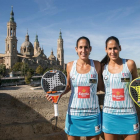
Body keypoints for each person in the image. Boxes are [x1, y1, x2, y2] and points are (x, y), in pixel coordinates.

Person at [46, 36, 103, 140]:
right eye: (80, 47)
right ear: (76, 49)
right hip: (74, 114)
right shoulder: (70, 65)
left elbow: (100, 87)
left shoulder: (97, 64)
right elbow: (68, 86)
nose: (83, 50)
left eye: (86, 47)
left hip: (93, 114)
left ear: (90, 49)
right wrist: (58, 94)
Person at [101, 36, 139, 140]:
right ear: (106, 49)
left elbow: (137, 85)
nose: (113, 51)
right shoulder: (102, 67)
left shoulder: (130, 64)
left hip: (129, 114)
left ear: (120, 48)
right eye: (110, 48)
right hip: (109, 116)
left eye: (115, 48)